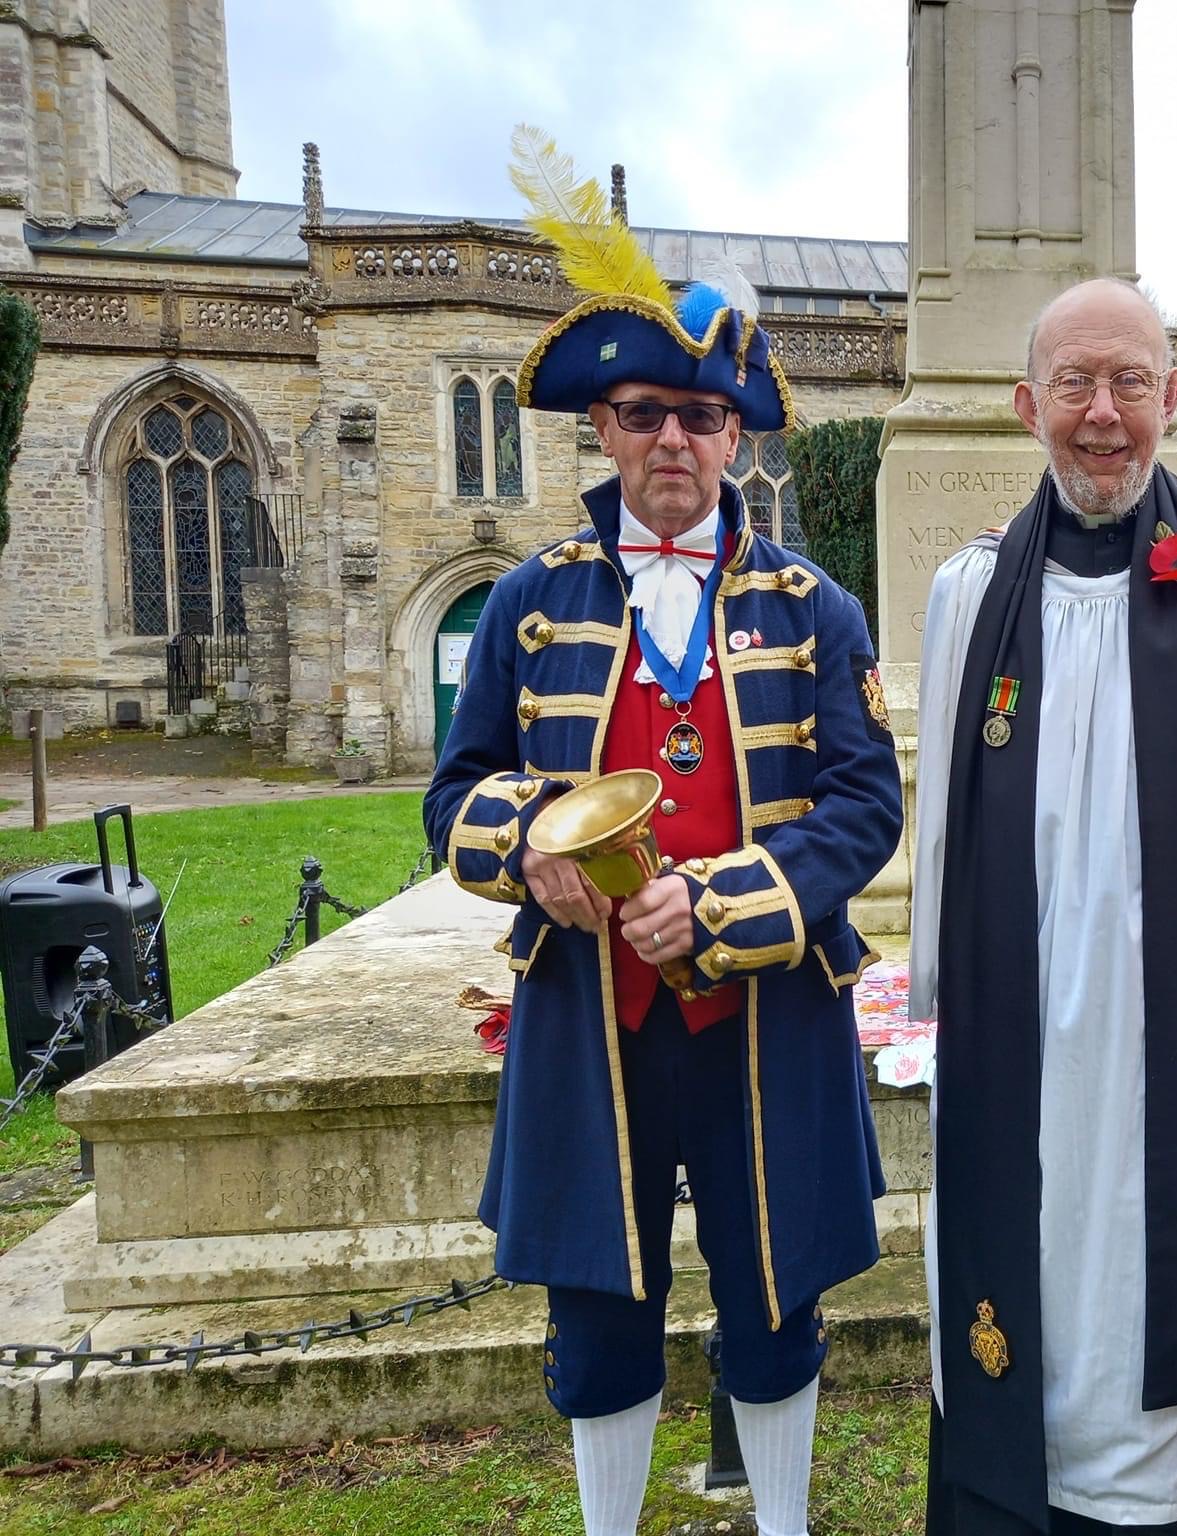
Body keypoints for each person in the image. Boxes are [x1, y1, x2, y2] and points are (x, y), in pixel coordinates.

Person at [424, 136, 902, 1536]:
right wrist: (537, 851)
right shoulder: (527, 600)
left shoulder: (816, 606)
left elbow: (867, 805)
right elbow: (453, 797)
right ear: (605, 430)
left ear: (736, 433)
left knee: (777, 1303)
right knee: (598, 1318)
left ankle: (786, 1523)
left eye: (699, 414)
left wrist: (735, 904)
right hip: (587, 1009)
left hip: (767, 1022)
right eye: (644, 414)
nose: (673, 440)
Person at [911, 277, 1177, 1534]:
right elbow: (943, 816)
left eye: (1132, 384)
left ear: (1175, 397)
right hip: (1029, 1030)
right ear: (1023, 406)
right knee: (1044, 1260)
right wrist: (942, 997)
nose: (1103, 416)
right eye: (1073, 385)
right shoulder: (966, 594)